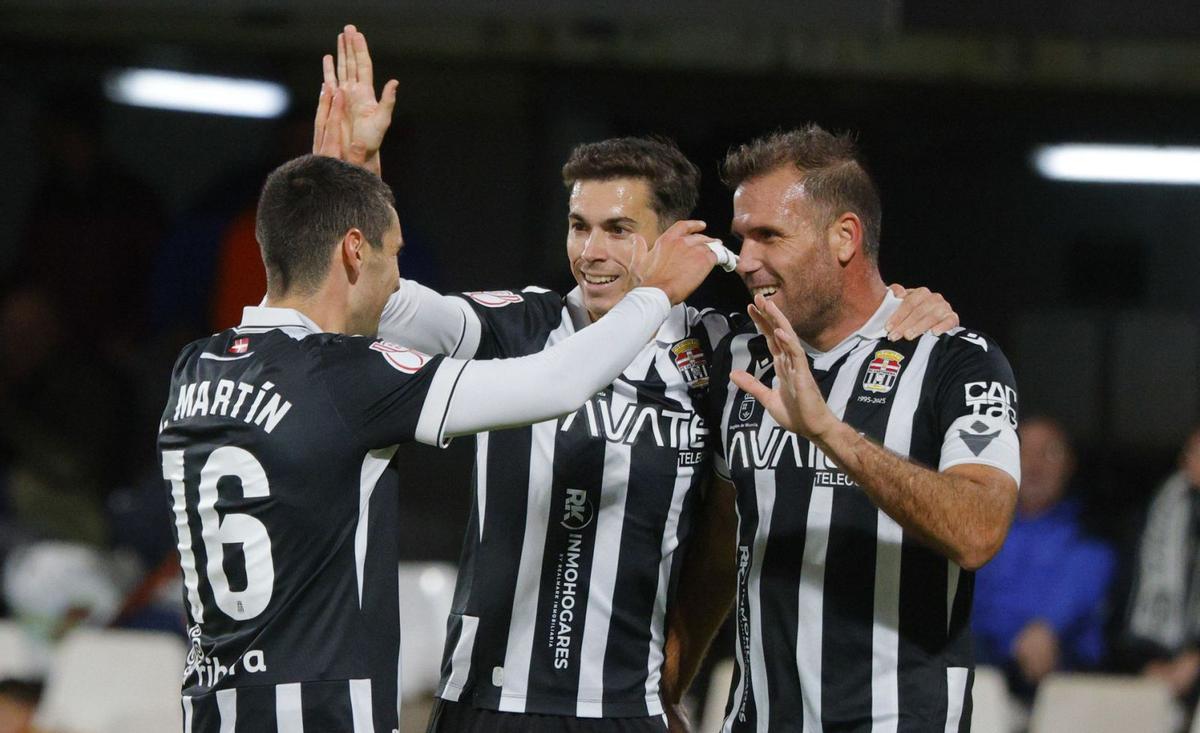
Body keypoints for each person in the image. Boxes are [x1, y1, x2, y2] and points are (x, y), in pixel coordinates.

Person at [312, 26, 960, 732]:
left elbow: (833, 341)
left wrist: (911, 305)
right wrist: (357, 176)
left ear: (672, 237)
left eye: (618, 229)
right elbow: (388, 308)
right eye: (578, 226)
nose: (590, 252)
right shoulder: (516, 327)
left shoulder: (721, 355)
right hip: (489, 705)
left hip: (628, 712)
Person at [157, 152, 723, 732]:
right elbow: (559, 381)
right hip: (336, 708)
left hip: (215, 703)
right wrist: (655, 294)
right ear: (354, 250)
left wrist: (343, 182)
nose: (399, 277)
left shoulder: (194, 369)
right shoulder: (356, 374)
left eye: (618, 229)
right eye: (394, 253)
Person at [671, 125, 1021, 731]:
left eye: (769, 236)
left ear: (844, 237)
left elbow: (979, 531)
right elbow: (722, 549)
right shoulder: (734, 353)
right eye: (741, 238)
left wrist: (831, 433)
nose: (746, 261)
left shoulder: (955, 359)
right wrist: (667, 692)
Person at [972, 417, 1115, 694]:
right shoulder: (978, 529)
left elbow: (1083, 585)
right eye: (1023, 453)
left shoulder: (1088, 534)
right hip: (982, 668)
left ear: (1070, 464)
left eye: (1050, 453)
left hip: (1062, 676)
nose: (1034, 466)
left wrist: (1047, 629)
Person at [1120, 427, 1200, 713]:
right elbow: (1125, 597)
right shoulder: (1161, 510)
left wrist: (1195, 661)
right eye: (1193, 451)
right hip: (1156, 669)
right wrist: (1146, 663)